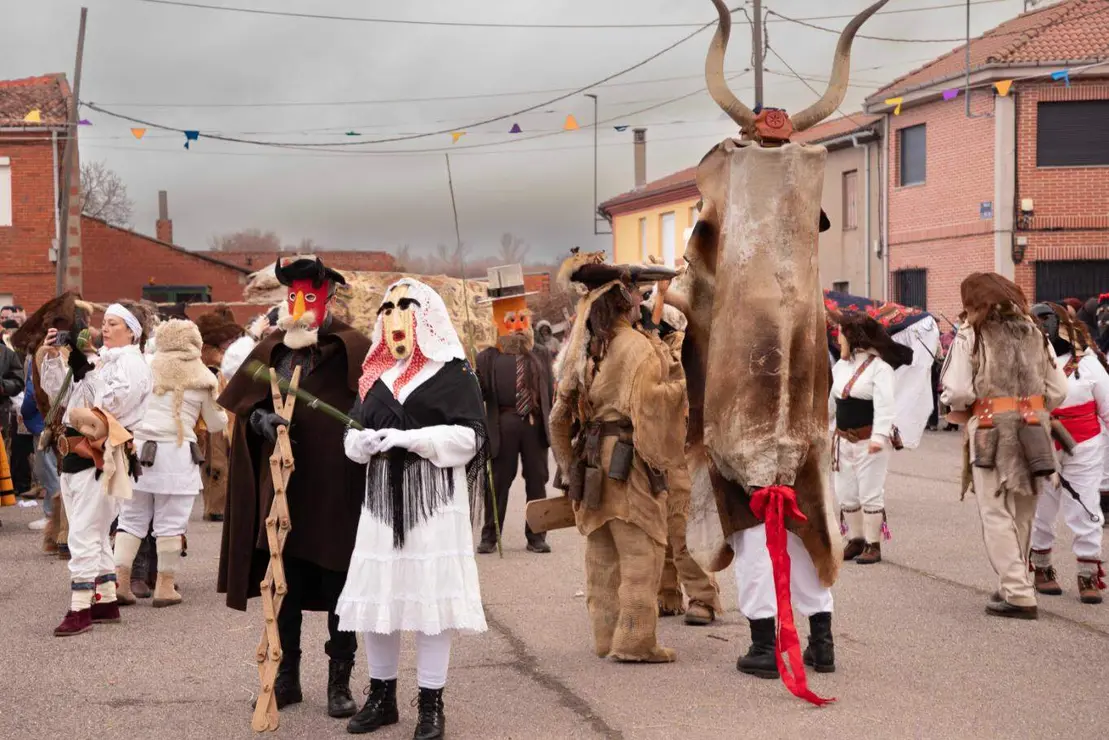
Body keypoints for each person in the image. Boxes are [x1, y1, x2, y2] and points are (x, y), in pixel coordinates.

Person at [218, 257, 370, 720]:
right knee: (281, 580)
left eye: (309, 298)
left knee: (340, 583)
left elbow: (378, 405)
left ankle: (339, 683)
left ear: (327, 301)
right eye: (293, 298)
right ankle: (286, 679)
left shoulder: (355, 349)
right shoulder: (273, 350)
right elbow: (243, 406)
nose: (300, 307)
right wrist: (258, 418)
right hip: (282, 489)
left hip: (336, 492)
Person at [338, 278, 488, 739]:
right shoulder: (376, 378)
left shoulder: (454, 373)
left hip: (434, 504)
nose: (395, 315)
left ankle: (431, 704)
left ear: (427, 316)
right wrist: (359, 443)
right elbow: (349, 435)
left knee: (429, 602)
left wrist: (415, 439)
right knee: (380, 596)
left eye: (406, 306)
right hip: (381, 503)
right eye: (389, 308)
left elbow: (472, 437)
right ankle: (381, 697)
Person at [548, 250, 686, 663]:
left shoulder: (583, 351)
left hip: (590, 463)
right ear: (623, 300)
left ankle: (605, 638)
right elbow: (653, 406)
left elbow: (558, 418)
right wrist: (681, 383)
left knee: (602, 555)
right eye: (636, 294)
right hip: (629, 462)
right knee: (640, 552)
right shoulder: (638, 348)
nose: (641, 301)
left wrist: (569, 468)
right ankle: (634, 642)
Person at [939, 273, 1067, 619]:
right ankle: (1017, 582)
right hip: (1033, 430)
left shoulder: (971, 334)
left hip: (991, 430)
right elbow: (1059, 389)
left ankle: (1018, 591)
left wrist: (964, 408)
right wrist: (1034, 409)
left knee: (996, 513)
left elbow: (958, 390)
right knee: (1024, 511)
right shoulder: (1034, 331)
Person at [53, 302, 153, 637]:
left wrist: (88, 373)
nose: (105, 329)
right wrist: (58, 356)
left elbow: (107, 408)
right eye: (104, 323)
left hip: (100, 454)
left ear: (132, 332)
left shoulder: (133, 364)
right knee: (94, 531)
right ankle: (106, 600)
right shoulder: (105, 361)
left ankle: (79, 607)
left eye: (113, 324)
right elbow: (63, 398)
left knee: (82, 531)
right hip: (75, 453)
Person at [113, 319, 227, 608]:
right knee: (171, 524)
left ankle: (120, 584)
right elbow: (216, 424)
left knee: (130, 520)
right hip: (176, 454)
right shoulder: (202, 375)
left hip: (137, 451)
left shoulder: (145, 364)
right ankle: (165, 587)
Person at [640, 285, 722, 626]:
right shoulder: (641, 352)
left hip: (683, 453)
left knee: (681, 529)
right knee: (655, 530)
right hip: (648, 450)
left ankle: (703, 597)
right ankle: (668, 593)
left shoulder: (685, 358)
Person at [1028, 303, 1109, 604]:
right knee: (1041, 509)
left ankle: (1088, 573)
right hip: (1041, 444)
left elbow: (1108, 407)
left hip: (1084, 446)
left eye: (1047, 321)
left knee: (1086, 508)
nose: (1043, 328)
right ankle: (1042, 569)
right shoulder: (1028, 363)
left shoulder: (1087, 363)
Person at [474, 265, 554, 554]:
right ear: (499, 321)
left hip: (533, 426)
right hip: (504, 425)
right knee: (497, 481)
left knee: (537, 480)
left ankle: (537, 536)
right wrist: (472, 380)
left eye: (522, 318)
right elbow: (479, 394)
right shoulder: (488, 357)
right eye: (511, 319)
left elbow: (551, 392)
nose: (518, 325)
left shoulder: (541, 354)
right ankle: (489, 535)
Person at [829, 312, 913, 565]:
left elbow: (886, 407)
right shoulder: (840, 367)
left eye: (841, 334)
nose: (837, 338)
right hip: (842, 441)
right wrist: (824, 432)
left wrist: (878, 437)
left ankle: (873, 543)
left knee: (869, 492)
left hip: (869, 441)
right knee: (845, 493)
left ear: (853, 338)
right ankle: (855, 540)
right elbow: (833, 404)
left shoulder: (880, 369)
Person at [195, 307, 244, 522]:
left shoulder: (221, 359)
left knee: (219, 458)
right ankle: (216, 506)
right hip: (215, 412)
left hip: (222, 412)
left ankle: (218, 504)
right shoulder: (211, 360)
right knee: (216, 460)